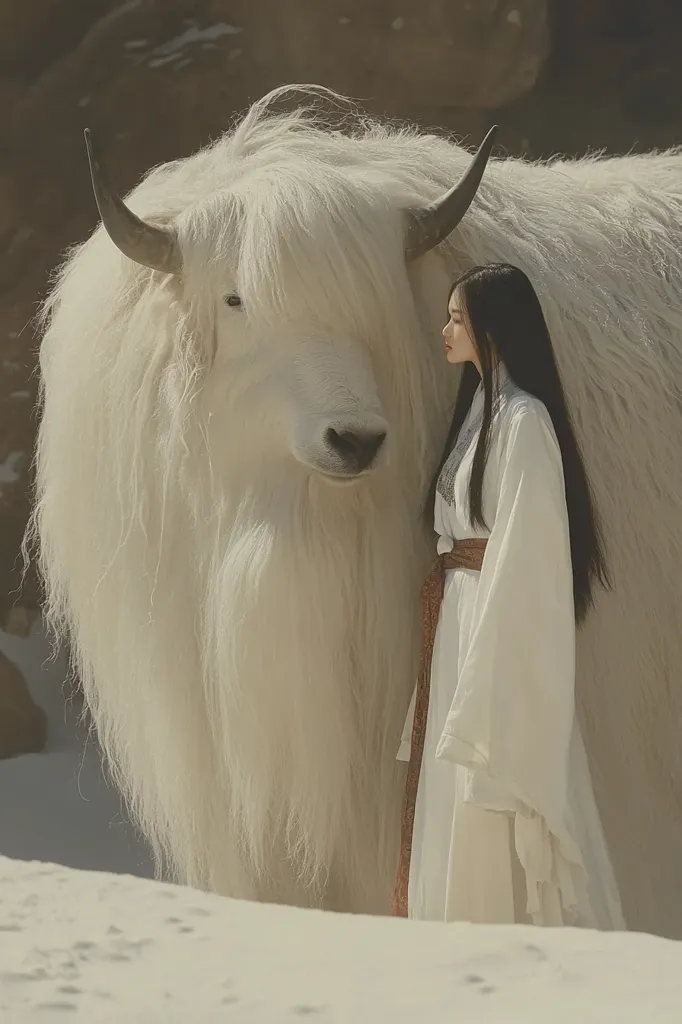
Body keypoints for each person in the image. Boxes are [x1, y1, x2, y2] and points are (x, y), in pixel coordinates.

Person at [393, 263, 625, 928]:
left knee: (483, 791)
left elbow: (530, 558)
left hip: (485, 630)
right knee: (451, 795)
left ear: (492, 329)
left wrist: (490, 669)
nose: (445, 330)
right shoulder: (479, 409)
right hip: (457, 622)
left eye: (458, 319)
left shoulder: (524, 421)